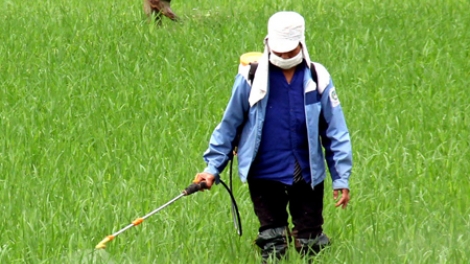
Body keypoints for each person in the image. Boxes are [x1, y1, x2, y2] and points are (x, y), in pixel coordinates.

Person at [194, 11, 353, 263]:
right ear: (268, 45)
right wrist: (212, 168)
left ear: (301, 44)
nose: (285, 57)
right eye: (279, 53)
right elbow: (229, 125)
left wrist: (341, 177)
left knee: (311, 242)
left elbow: (335, 130)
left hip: (306, 172)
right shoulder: (250, 78)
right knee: (273, 242)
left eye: (290, 53)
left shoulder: (317, 76)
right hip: (264, 172)